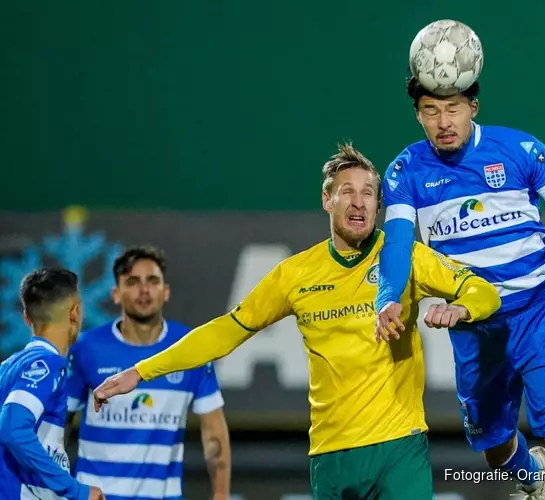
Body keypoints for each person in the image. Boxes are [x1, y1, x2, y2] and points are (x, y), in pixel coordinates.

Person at [90, 143, 502, 500]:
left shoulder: (404, 257)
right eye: (347, 192)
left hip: (399, 447)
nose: (358, 202)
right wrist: (141, 371)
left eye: (369, 194)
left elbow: (484, 291)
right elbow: (226, 331)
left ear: (380, 205)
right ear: (327, 199)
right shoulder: (295, 275)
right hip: (329, 455)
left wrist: (461, 308)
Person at [373, 77, 545, 500]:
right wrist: (387, 299)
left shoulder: (520, 150)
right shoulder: (406, 170)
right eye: (431, 111)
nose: (443, 122)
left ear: (473, 107)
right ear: (417, 115)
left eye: (452, 108)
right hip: (474, 327)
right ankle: (533, 482)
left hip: (540, 315)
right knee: (496, 453)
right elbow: (399, 242)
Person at [65, 246, 231, 499]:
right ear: (116, 294)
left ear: (165, 292)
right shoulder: (86, 348)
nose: (144, 290)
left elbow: (214, 433)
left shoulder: (190, 348)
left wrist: (221, 494)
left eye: (152, 281)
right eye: (132, 282)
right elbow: (59, 425)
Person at [0, 268, 105, 500]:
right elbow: (13, 428)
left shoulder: (7, 368)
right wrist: (75, 490)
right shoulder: (47, 365)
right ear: (75, 313)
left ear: (27, 318)